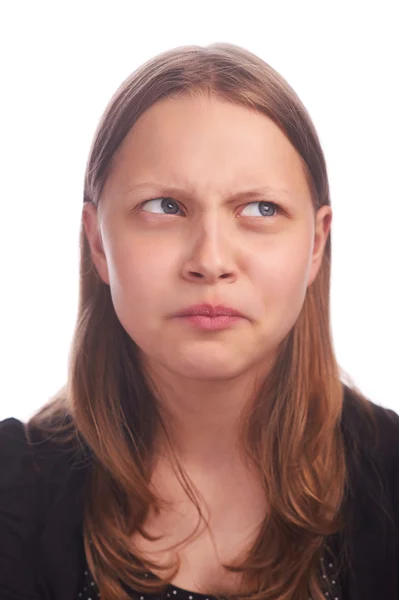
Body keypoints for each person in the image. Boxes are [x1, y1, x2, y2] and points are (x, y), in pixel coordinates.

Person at [0, 42, 398, 600]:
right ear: (97, 241)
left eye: (260, 209)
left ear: (316, 244)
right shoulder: (11, 494)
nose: (210, 259)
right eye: (165, 206)